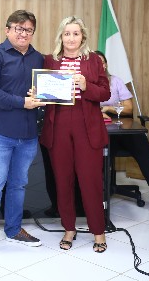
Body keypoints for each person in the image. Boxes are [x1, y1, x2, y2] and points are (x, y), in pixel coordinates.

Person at [0, 10, 44, 263]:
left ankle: (14, 230)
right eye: (19, 28)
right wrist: (21, 102)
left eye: (28, 30)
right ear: (7, 30)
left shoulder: (38, 58)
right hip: (0, 133)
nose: (23, 33)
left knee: (18, 184)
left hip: (28, 134)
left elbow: (43, 90)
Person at [39, 16, 111, 253]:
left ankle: (98, 231)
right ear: (61, 36)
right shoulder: (50, 60)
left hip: (86, 124)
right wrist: (39, 92)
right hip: (58, 124)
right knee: (63, 180)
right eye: (67, 33)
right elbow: (43, 90)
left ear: (83, 37)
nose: (71, 38)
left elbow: (105, 93)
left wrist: (86, 86)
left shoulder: (93, 61)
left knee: (91, 181)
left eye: (76, 33)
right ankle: (69, 228)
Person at [95, 50, 149, 219]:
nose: (100, 65)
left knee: (142, 148)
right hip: (98, 130)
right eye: (95, 62)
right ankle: (95, 198)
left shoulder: (115, 81)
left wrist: (107, 108)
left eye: (102, 62)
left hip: (122, 128)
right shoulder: (85, 83)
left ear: (106, 64)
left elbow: (128, 108)